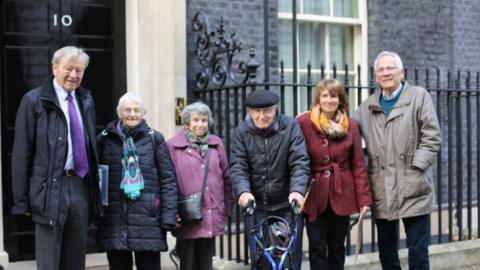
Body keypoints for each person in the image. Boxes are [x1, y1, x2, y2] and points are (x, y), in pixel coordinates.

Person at [11, 46, 103, 270]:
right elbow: (22, 152)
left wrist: (94, 194)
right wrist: (21, 199)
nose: (74, 75)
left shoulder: (86, 100)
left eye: (79, 70)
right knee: (49, 262)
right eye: (68, 68)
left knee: (75, 261)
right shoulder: (34, 101)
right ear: (54, 68)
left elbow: (91, 148)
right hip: (49, 187)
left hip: (80, 186)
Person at [355, 51, 441, 270]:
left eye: (390, 68)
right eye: (381, 70)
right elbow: (348, 134)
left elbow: (432, 136)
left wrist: (416, 167)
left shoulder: (419, 96)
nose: (386, 73)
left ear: (401, 72)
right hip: (381, 187)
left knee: (418, 251)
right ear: (375, 77)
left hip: (413, 186)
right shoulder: (366, 107)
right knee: (386, 250)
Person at [96, 92, 177, 270]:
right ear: (119, 113)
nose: (132, 114)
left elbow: (168, 179)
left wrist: (169, 216)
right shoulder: (104, 138)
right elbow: (96, 177)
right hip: (115, 218)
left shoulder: (155, 138)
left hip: (148, 216)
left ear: (143, 113)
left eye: (136, 110)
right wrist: (96, 212)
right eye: (127, 110)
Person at [297, 79, 372, 269]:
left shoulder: (351, 126)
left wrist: (364, 200)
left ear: (340, 99)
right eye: (325, 96)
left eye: (333, 96)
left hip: (342, 193)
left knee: (337, 246)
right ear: (318, 99)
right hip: (314, 193)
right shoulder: (303, 122)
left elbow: (358, 165)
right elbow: (296, 159)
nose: (329, 100)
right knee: (317, 247)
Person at [230, 89, 310, 269]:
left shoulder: (290, 126)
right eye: (256, 111)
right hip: (256, 207)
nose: (261, 116)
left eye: (267, 110)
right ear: (249, 112)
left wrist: (297, 191)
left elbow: (299, 161)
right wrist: (243, 192)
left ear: (276, 109)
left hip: (287, 206)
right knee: (261, 260)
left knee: (289, 261)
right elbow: (238, 167)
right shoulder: (241, 132)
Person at [167, 101, 232, 270]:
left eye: (204, 120)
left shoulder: (216, 144)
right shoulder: (173, 146)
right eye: (196, 120)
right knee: (187, 264)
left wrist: (227, 209)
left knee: (206, 264)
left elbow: (226, 178)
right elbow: (168, 182)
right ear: (187, 122)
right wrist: (171, 212)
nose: (200, 124)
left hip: (211, 212)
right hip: (186, 216)